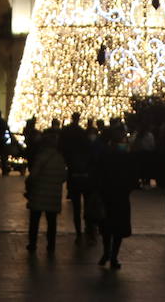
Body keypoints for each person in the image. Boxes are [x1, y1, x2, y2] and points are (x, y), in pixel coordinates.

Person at [94, 126, 137, 268]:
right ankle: (111, 254)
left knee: (112, 228)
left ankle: (110, 254)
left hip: (115, 195)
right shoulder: (115, 155)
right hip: (114, 195)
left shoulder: (110, 154)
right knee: (112, 228)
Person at [25, 131, 67, 255]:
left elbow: (33, 175)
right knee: (52, 222)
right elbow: (63, 177)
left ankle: (33, 244)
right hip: (53, 195)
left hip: (39, 193)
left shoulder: (41, 156)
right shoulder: (60, 158)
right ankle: (51, 245)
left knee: (34, 221)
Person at [60, 113, 94, 241]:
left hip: (74, 176)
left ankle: (79, 231)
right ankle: (88, 228)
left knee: (76, 207)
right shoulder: (82, 134)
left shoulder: (67, 132)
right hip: (85, 178)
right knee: (87, 205)